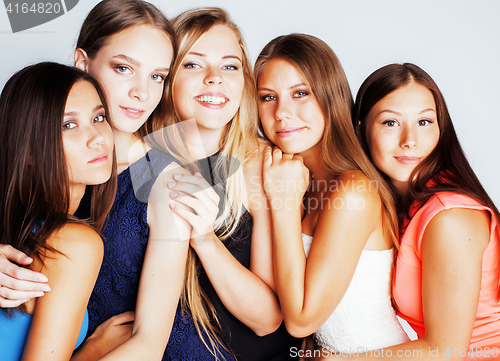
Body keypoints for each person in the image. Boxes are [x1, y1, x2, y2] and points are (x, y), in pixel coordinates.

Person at [0, 1, 221, 360]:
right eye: (123, 69)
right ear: (83, 64)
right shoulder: (46, 159)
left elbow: (148, 342)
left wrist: (89, 350)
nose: (142, 93)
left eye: (157, 77)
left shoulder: (165, 178)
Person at [327, 62, 500, 360]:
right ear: (361, 128)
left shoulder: (449, 217)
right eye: (390, 123)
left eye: (424, 122)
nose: (410, 140)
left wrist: (339, 360)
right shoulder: (393, 201)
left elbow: (446, 351)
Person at [253, 34, 410, 356]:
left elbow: (301, 321)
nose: (282, 112)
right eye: (268, 97)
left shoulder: (353, 191)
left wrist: (283, 203)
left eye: (300, 93)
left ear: (330, 96)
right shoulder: (303, 182)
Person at [162, 8, 302, 361]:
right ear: (167, 77)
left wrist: (205, 241)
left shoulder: (262, 165)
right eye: (193, 65)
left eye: (229, 66)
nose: (214, 79)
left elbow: (268, 319)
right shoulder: (144, 158)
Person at [0, 62, 116, 361]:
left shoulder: (23, 231)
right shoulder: (72, 242)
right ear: (27, 151)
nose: (98, 137)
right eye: (69, 124)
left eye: (99, 117)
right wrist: (96, 348)